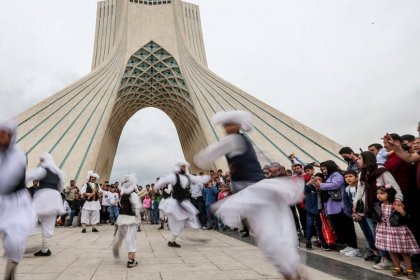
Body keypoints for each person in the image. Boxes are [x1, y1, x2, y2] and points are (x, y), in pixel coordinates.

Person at [194, 110, 304, 280]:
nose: (227, 128)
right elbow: (262, 155)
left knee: (268, 233)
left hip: (253, 190)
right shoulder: (244, 140)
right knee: (275, 230)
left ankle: (290, 271)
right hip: (258, 189)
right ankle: (291, 268)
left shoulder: (232, 140)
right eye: (225, 125)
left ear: (238, 125)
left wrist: (200, 160)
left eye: (230, 124)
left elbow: (205, 157)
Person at [353, 151, 404, 270]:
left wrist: (398, 200)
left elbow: (394, 187)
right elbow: (360, 191)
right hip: (369, 209)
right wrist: (355, 204)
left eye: (359, 158)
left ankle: (400, 260)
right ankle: (385, 259)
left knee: (392, 235)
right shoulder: (362, 174)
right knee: (378, 235)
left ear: (367, 159)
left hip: (384, 208)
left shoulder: (382, 171)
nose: (357, 160)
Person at [0, 120, 36, 280]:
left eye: (4, 134)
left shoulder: (19, 155)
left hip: (15, 204)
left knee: (14, 241)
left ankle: (10, 270)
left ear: (11, 136)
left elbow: (6, 180)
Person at [155, 160, 210, 247]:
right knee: (178, 222)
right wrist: (156, 186)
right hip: (175, 203)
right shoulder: (173, 176)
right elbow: (164, 180)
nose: (184, 168)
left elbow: (197, 178)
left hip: (183, 202)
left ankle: (194, 234)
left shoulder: (187, 177)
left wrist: (208, 177)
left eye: (185, 166)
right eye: (182, 166)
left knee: (191, 216)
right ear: (178, 167)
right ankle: (175, 240)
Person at [373, 184, 419, 278]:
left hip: (397, 231)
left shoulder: (396, 204)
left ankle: (409, 269)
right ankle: (398, 267)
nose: (378, 195)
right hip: (384, 231)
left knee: (404, 251)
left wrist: (402, 212)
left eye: (382, 193)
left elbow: (407, 218)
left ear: (389, 194)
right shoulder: (378, 205)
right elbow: (377, 217)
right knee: (391, 250)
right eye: (377, 193)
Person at [316, 160, 360, 257]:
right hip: (332, 206)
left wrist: (321, 185)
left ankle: (354, 247)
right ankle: (349, 245)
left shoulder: (336, 174)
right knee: (340, 228)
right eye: (322, 169)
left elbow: (336, 184)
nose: (323, 171)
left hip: (340, 206)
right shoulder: (328, 176)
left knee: (347, 227)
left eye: (324, 168)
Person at [26, 153, 66, 256]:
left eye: (41, 160)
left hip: (44, 195)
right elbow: (61, 187)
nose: (40, 162)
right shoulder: (59, 173)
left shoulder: (42, 170)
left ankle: (29, 241)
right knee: (49, 223)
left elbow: (29, 176)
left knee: (31, 216)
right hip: (55, 197)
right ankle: (45, 250)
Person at [112, 175, 142, 268]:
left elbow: (115, 203)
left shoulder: (123, 194)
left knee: (119, 236)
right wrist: (139, 219)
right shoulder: (133, 195)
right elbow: (137, 208)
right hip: (131, 219)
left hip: (121, 218)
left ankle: (115, 247)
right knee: (130, 238)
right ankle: (131, 260)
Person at [304, 172, 326, 250]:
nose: (317, 181)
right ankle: (308, 240)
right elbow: (304, 189)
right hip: (310, 209)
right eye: (316, 179)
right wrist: (310, 181)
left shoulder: (323, 187)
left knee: (320, 226)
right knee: (309, 225)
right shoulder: (310, 187)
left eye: (320, 180)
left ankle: (323, 241)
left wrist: (320, 188)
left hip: (320, 210)